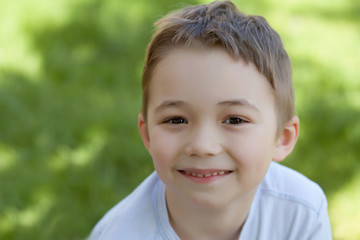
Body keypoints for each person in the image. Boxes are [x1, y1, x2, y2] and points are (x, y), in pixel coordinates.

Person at [88, 1, 332, 239]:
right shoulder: (121, 233)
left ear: (282, 138)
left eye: (235, 120)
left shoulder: (302, 212)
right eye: (176, 120)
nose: (203, 146)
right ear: (147, 134)